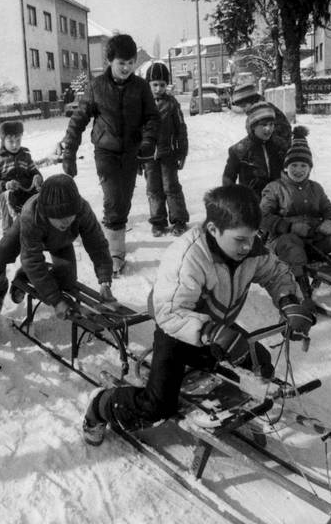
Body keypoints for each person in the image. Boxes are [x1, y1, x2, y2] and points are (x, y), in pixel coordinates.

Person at [82, 184, 315, 446]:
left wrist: (290, 303)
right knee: (158, 406)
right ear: (214, 230)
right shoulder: (188, 257)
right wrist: (212, 333)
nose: (248, 246)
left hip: (216, 328)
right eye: (240, 239)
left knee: (258, 361)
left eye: (252, 237)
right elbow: (169, 312)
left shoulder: (253, 250)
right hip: (176, 331)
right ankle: (99, 406)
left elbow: (276, 274)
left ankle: (238, 405)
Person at [59, 33, 160, 274]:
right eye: (121, 63)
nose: (126, 68)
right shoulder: (97, 87)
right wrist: (69, 152)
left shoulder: (141, 87)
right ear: (109, 62)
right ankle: (114, 253)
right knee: (113, 199)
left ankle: (112, 236)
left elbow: (152, 118)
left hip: (131, 153)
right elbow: (78, 120)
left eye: (130, 63)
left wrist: (148, 141)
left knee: (123, 201)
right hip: (105, 151)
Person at [0, 174, 116, 317]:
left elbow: (97, 244)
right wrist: (56, 300)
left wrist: (105, 280)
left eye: (70, 216)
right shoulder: (31, 214)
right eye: (59, 218)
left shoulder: (82, 209)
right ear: (47, 213)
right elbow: (32, 260)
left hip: (61, 240)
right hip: (27, 231)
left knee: (67, 281)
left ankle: (25, 275)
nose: (65, 222)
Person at [260, 127, 331, 299]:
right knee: (292, 246)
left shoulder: (315, 188)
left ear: (309, 168)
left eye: (303, 166)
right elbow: (262, 217)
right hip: (285, 241)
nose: (298, 170)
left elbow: (330, 209)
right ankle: (301, 286)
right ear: (286, 167)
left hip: (315, 239)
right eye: (294, 165)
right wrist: (290, 227)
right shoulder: (275, 188)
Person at [143, 61, 189, 237]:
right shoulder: (141, 104)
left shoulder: (172, 104)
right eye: (154, 84)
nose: (158, 88)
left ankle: (179, 220)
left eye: (162, 85)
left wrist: (182, 152)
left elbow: (181, 130)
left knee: (171, 187)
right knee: (153, 189)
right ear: (148, 84)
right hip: (148, 156)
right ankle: (158, 222)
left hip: (168, 154)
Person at [0, 120, 43, 233]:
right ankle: (10, 232)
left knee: (42, 194)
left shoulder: (25, 157)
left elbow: (35, 172)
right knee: (8, 196)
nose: (15, 145)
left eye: (18, 140)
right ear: (3, 141)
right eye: (10, 141)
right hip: (9, 193)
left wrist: (37, 177)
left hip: (26, 192)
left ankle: (41, 225)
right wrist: (5, 185)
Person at [222, 101, 287, 198]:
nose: (268, 129)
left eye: (271, 124)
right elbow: (228, 182)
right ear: (253, 126)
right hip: (252, 204)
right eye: (264, 125)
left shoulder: (280, 146)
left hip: (278, 202)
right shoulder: (239, 150)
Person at [232, 83, 292, 150]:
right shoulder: (255, 114)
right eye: (241, 107)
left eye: (244, 106)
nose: (243, 109)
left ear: (252, 101)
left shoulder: (267, 113)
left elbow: (273, 140)